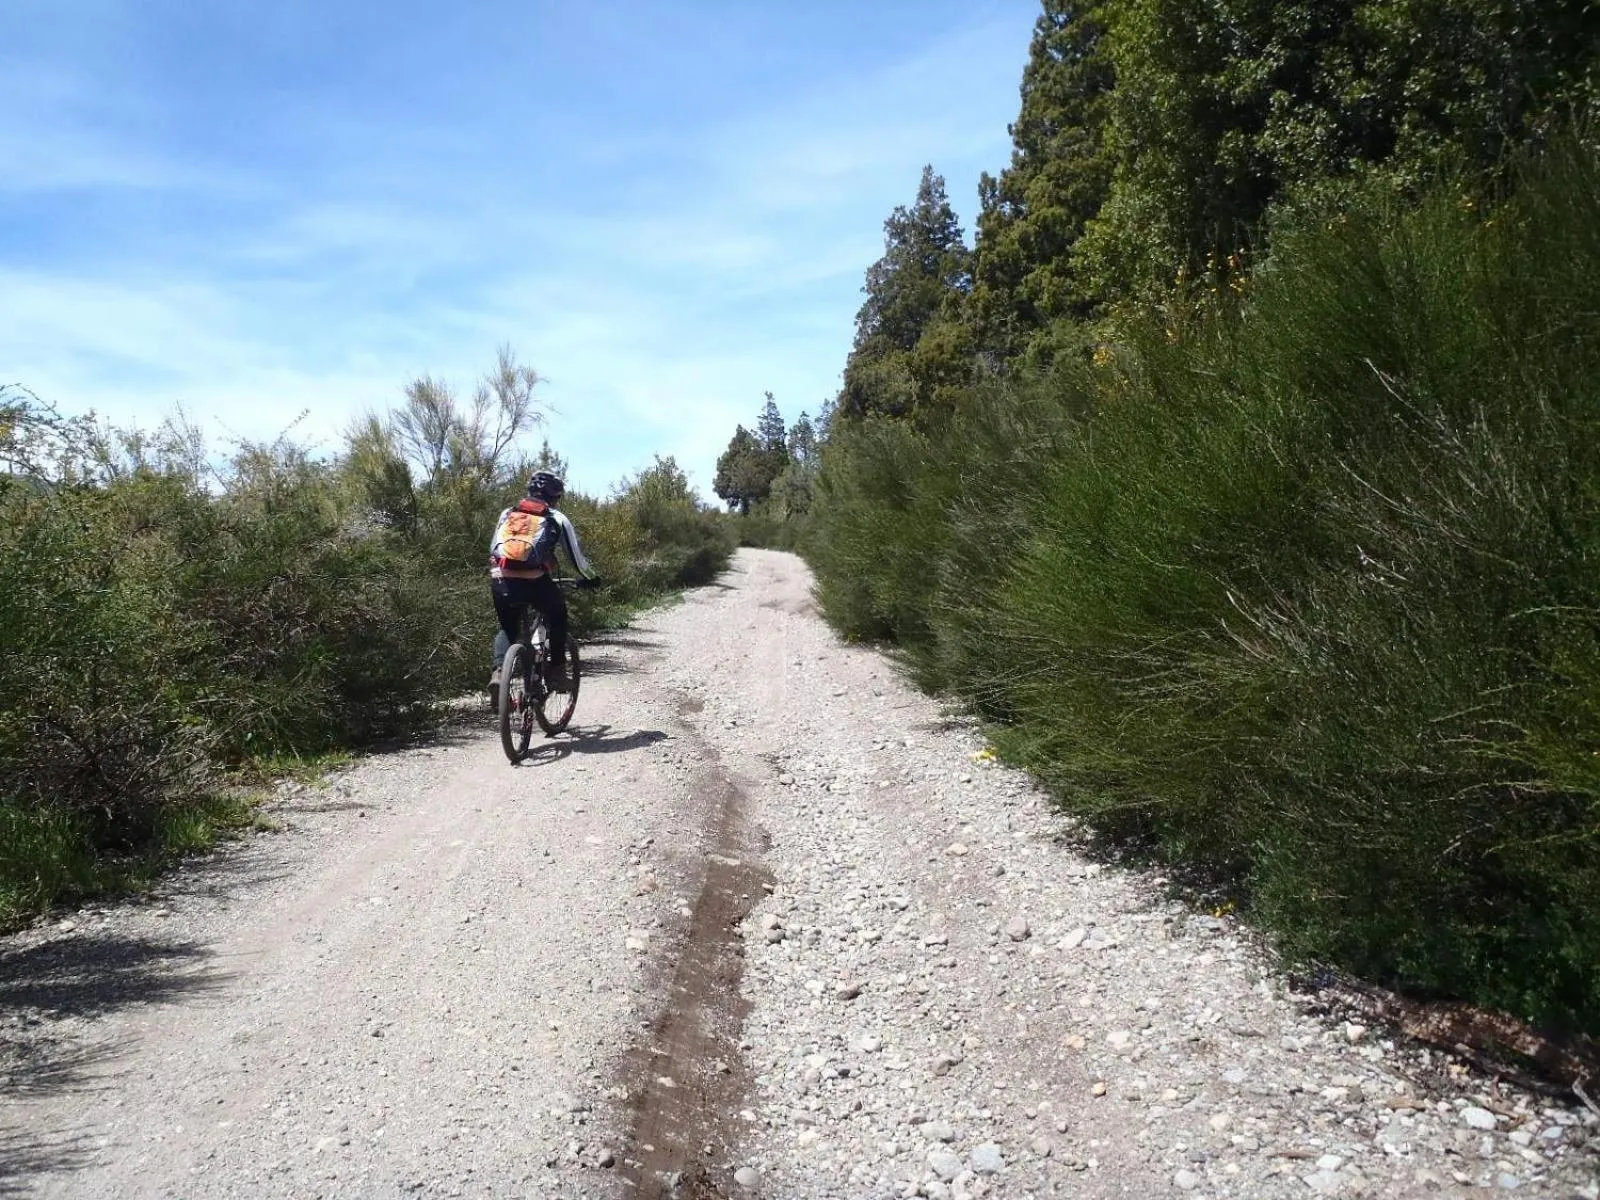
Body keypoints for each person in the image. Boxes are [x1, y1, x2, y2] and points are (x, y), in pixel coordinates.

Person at [488, 471, 596, 705]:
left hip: (501, 579)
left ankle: (499, 673)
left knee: (508, 628)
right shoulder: (556, 517)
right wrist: (592, 578)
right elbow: (577, 559)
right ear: (556, 496)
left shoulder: (508, 513)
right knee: (557, 614)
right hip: (535, 580)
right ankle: (556, 671)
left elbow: (494, 548)